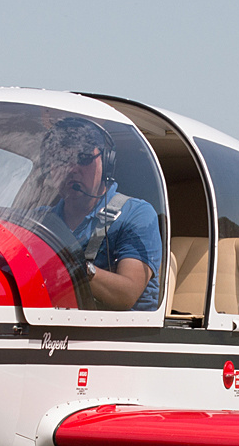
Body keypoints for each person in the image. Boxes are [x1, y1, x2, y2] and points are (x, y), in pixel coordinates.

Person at [37, 117, 162, 311]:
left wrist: (72, 267)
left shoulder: (136, 214)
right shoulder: (39, 222)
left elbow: (126, 294)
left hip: (120, 338)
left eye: (84, 158)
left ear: (106, 162)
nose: (72, 168)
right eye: (61, 159)